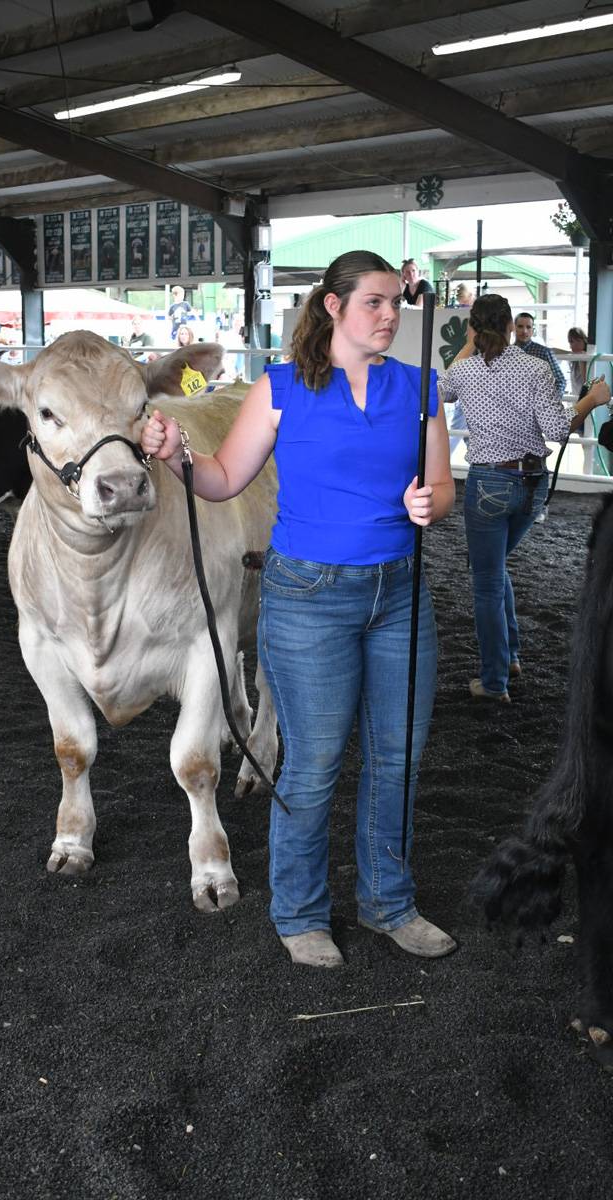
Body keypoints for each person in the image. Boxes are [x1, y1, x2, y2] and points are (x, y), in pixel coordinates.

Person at [141, 250, 456, 967]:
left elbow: (442, 489)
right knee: (312, 763)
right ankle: (301, 912)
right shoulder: (281, 388)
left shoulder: (421, 389)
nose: (388, 316)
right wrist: (176, 454)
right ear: (334, 306)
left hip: (399, 591)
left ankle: (388, 904)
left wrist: (428, 503)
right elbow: (221, 481)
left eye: (393, 303)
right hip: (308, 597)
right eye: (372, 302)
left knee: (397, 759)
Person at [442, 295, 610, 702]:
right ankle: (511, 655)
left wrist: (469, 344)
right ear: (507, 325)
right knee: (496, 568)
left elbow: (438, 392)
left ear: (474, 329)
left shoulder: (464, 371)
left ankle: (495, 681)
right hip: (532, 482)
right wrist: (590, 401)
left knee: (485, 581)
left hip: (487, 484)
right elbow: (556, 428)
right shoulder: (534, 367)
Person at [513, 311, 566, 396]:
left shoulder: (544, 352)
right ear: (513, 328)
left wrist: (551, 402)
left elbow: (560, 381)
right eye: (520, 326)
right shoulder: (507, 352)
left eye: (528, 327)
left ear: (533, 330)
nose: (524, 331)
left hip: (538, 403)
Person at [566, 326, 589, 397]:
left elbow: (586, 381)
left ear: (584, 341)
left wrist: (581, 358)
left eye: (578, 340)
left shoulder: (587, 356)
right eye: (571, 342)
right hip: (576, 397)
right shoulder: (573, 359)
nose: (574, 345)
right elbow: (553, 351)